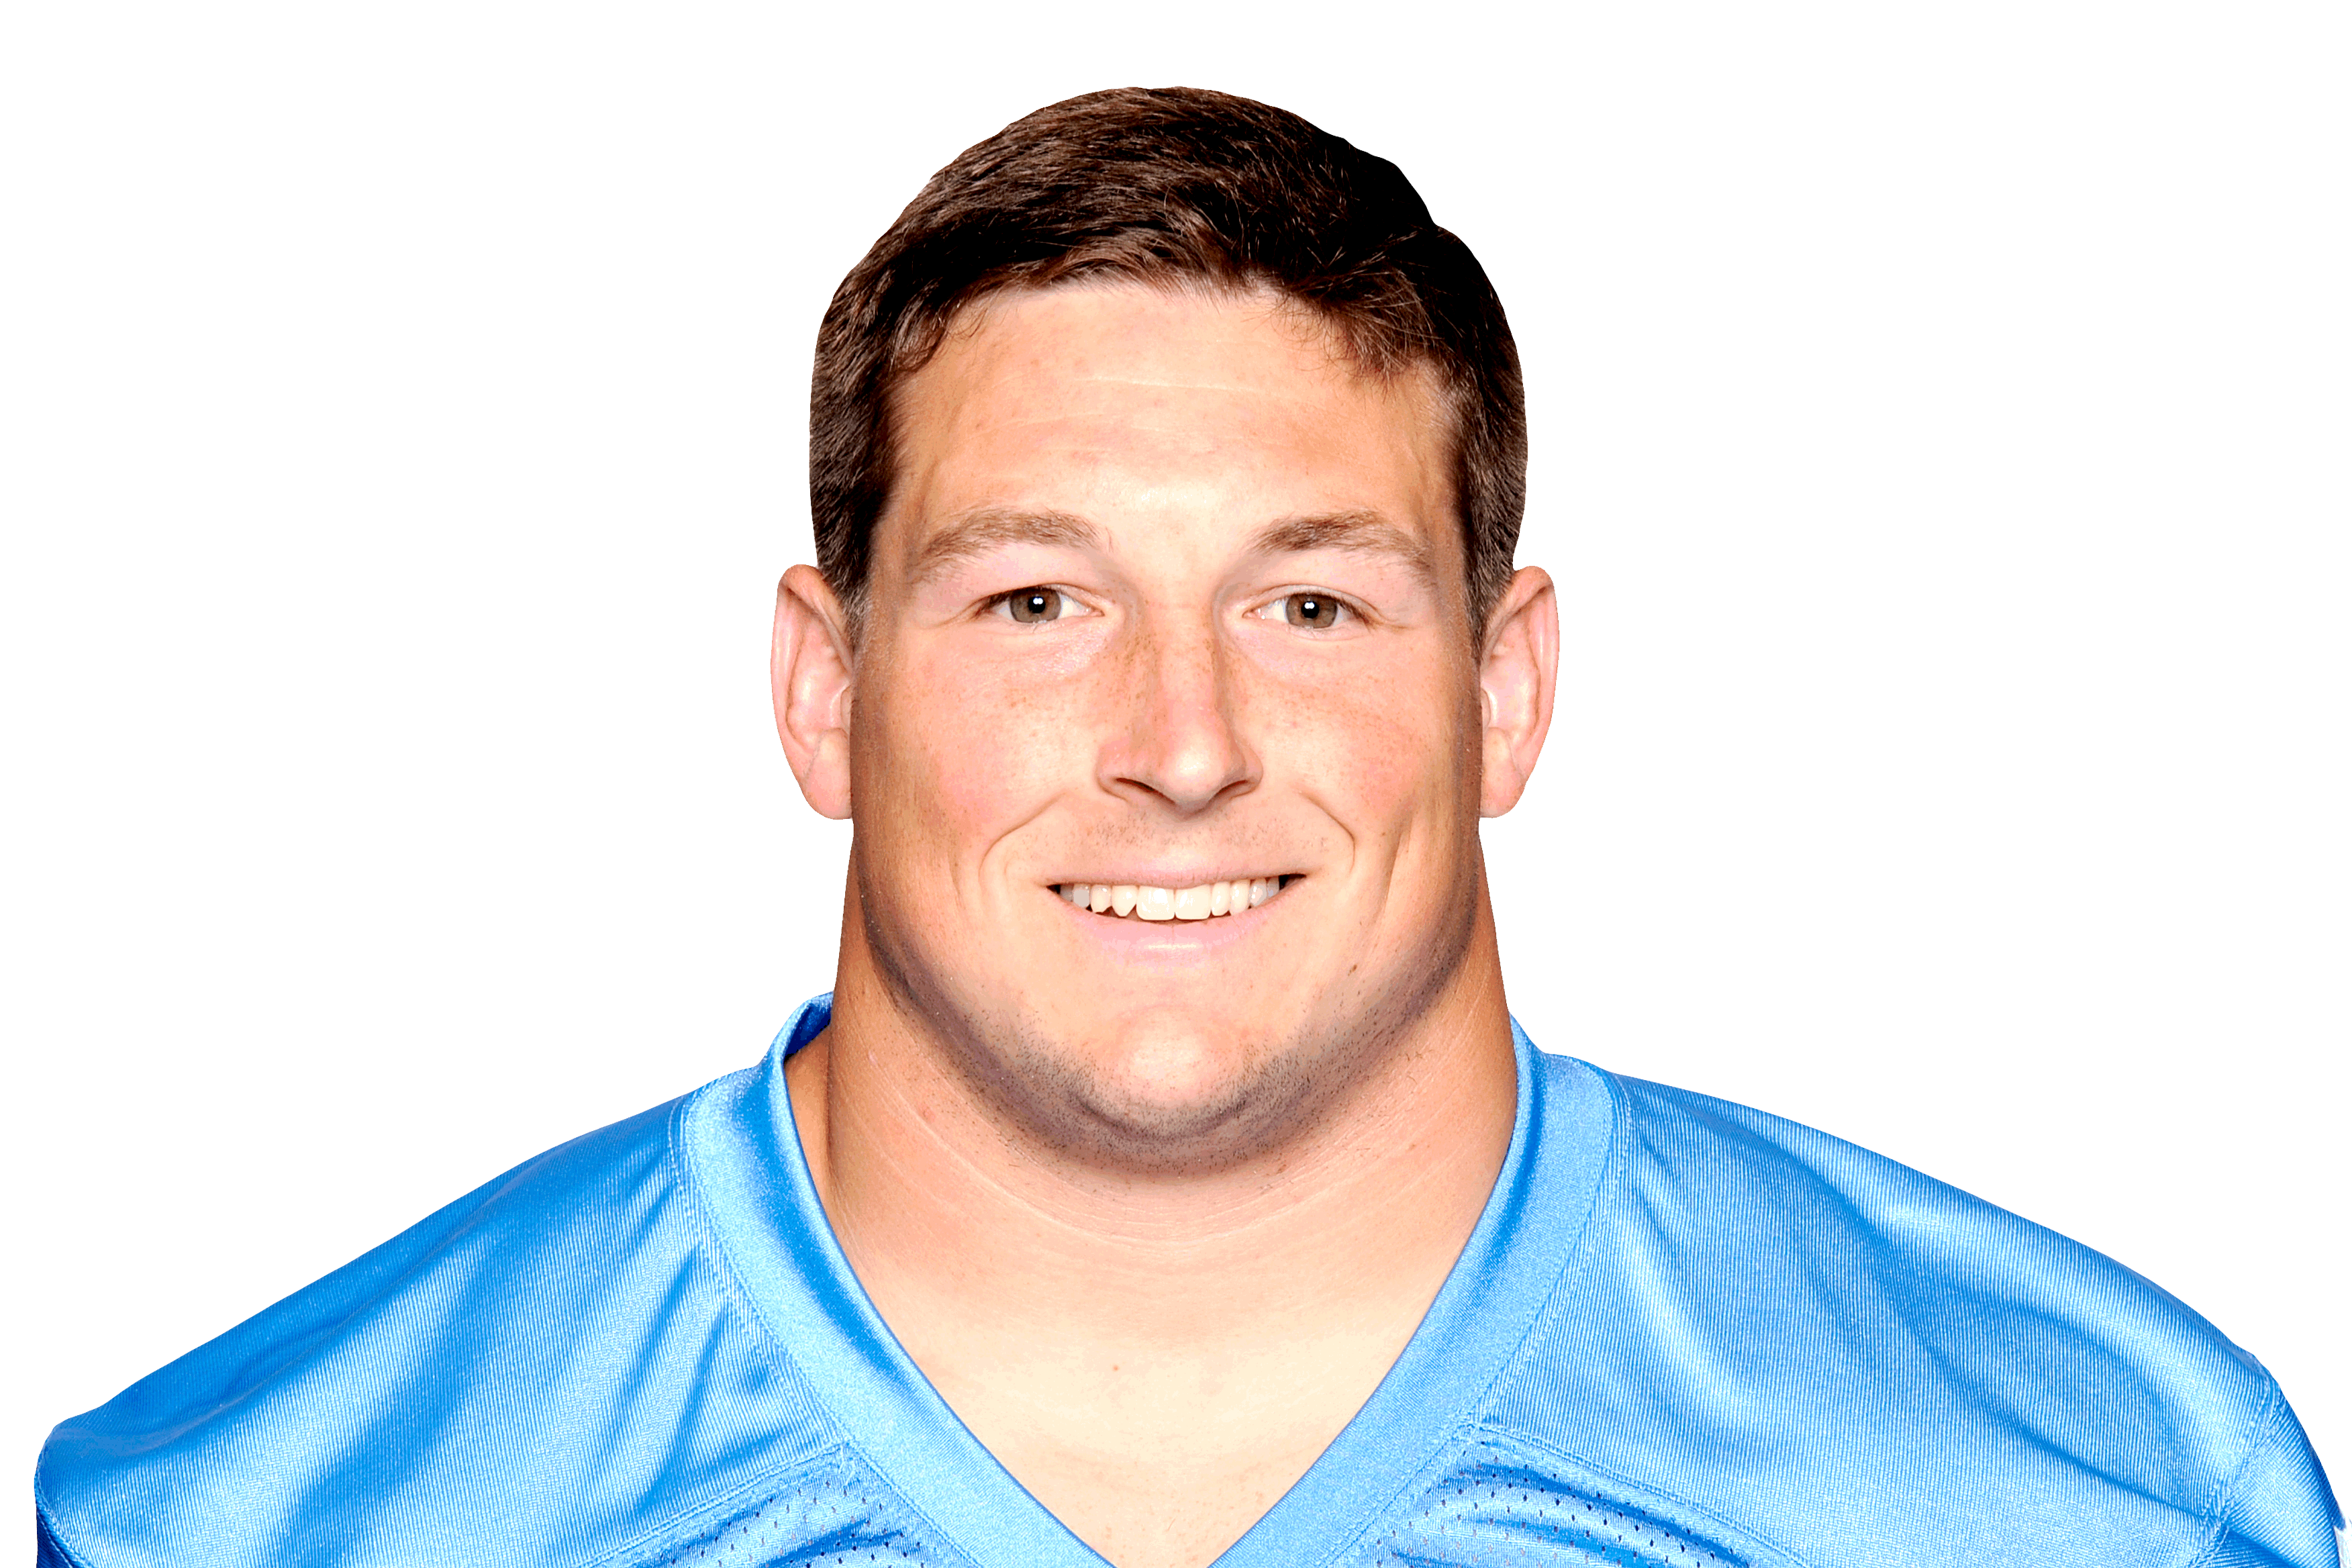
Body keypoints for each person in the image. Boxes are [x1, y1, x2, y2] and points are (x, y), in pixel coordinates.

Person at [36, 85, 2339, 1568]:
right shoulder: (262, 1521)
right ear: (823, 690)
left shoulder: (2092, 1491)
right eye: (1038, 601)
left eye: (1309, 602)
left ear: (1508, 688)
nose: (1184, 740)